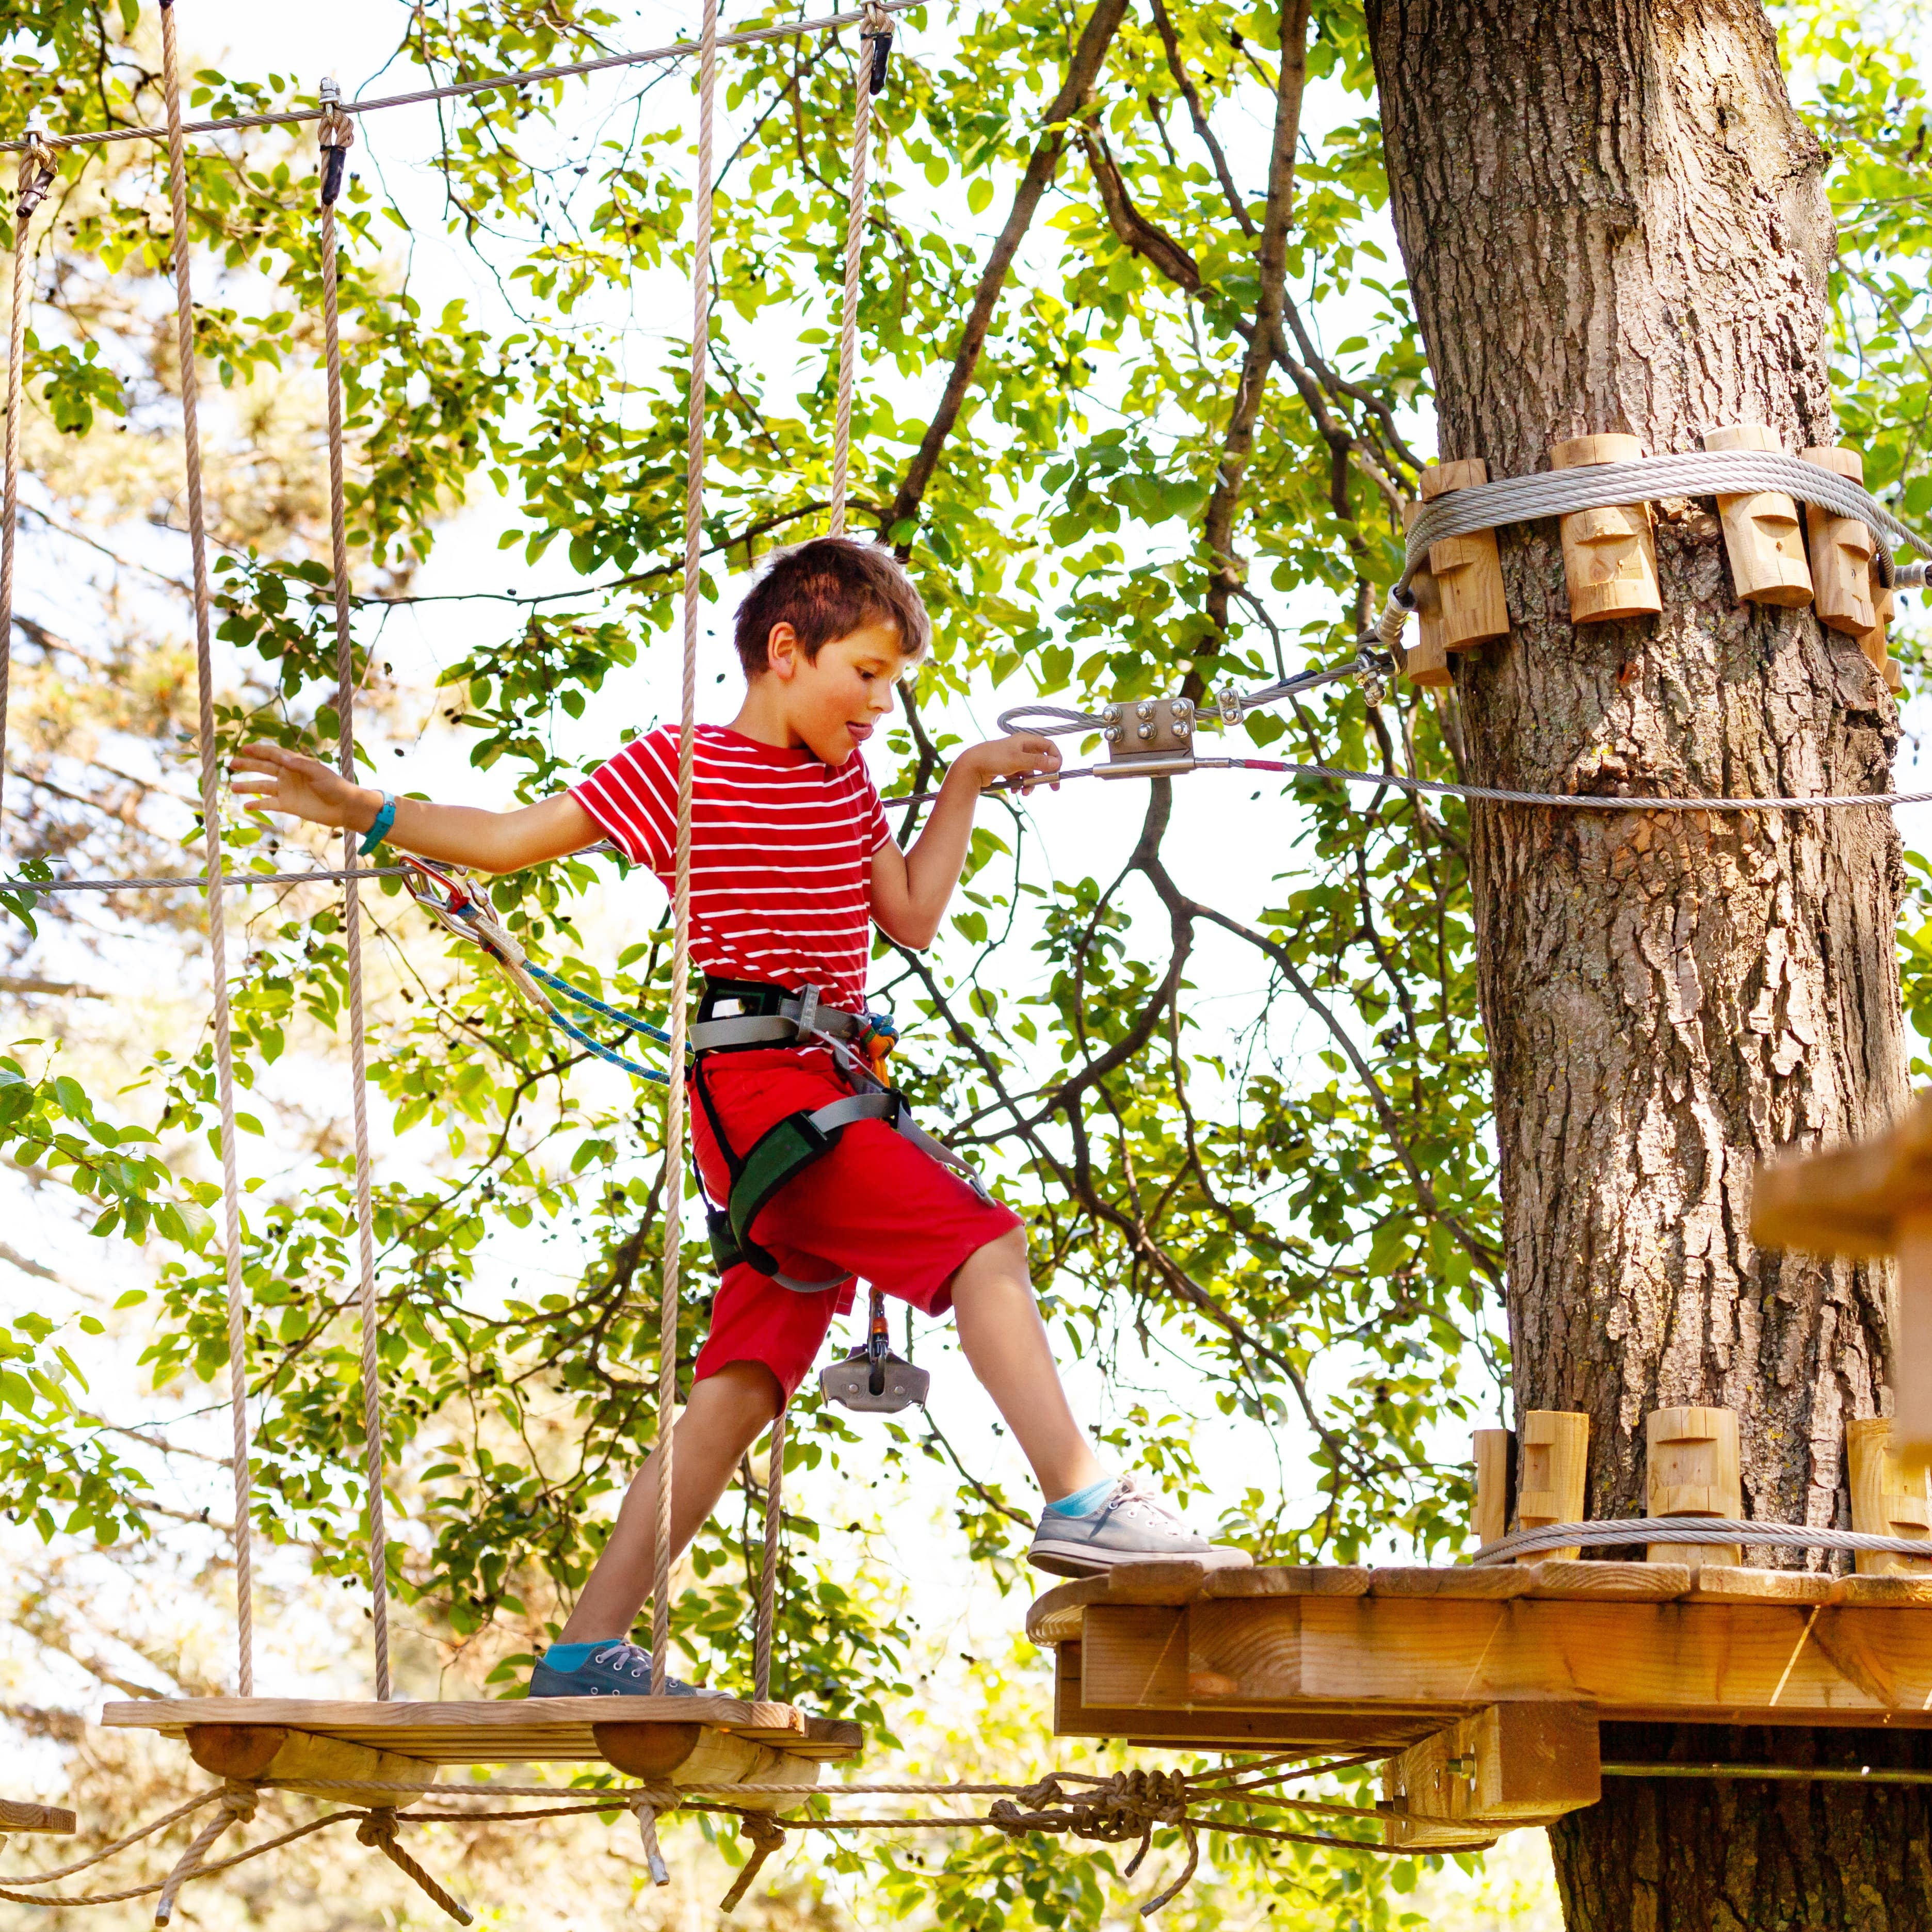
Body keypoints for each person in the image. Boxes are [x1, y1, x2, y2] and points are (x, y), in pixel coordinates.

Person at [232, 536, 1245, 1699]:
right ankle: (1082, 1497)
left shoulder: (845, 784)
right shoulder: (681, 768)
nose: (878, 704)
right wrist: (360, 809)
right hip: (766, 1092)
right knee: (985, 1244)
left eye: (893, 686)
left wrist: (961, 780)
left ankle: (582, 1652)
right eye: (865, 673)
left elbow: (907, 916)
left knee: (744, 1379)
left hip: (822, 1088)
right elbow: (510, 841)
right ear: (784, 651)